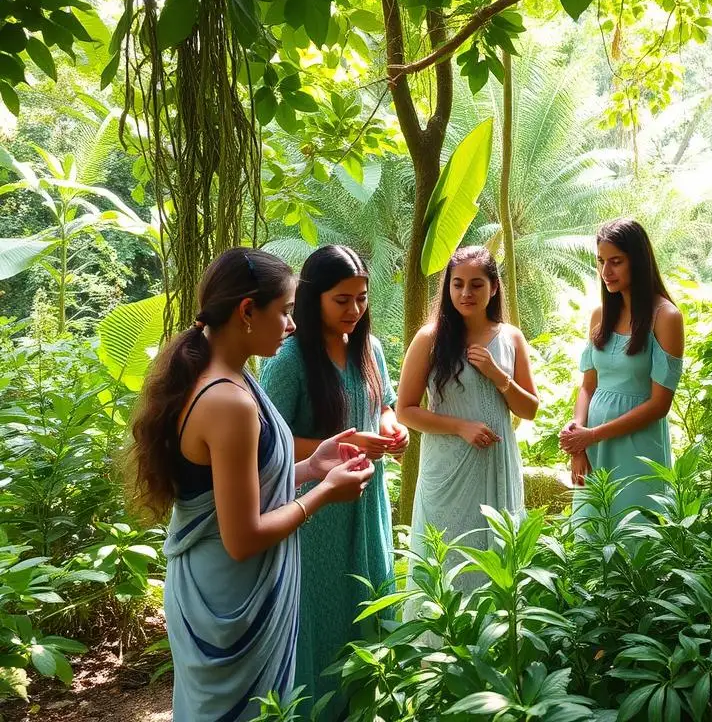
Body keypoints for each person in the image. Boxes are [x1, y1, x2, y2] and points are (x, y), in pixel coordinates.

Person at [128, 248, 375, 722]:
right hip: (229, 598)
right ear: (246, 312)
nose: (292, 324)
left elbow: (236, 485)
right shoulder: (228, 401)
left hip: (220, 584)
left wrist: (310, 468)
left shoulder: (227, 375)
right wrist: (324, 494)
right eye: (282, 310)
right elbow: (241, 538)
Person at [260, 245, 406, 719]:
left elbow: (383, 402)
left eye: (362, 298)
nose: (354, 310)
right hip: (316, 507)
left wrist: (390, 426)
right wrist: (338, 445)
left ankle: (365, 707)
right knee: (321, 619)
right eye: (341, 299)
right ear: (311, 298)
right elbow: (268, 445)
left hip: (367, 502)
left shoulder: (370, 348)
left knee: (368, 600)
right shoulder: (289, 359)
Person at [397, 246, 538, 592]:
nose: (465, 293)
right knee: (445, 564)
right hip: (447, 471)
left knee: (498, 564)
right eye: (457, 284)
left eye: (476, 284)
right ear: (447, 288)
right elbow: (405, 410)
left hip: (497, 466)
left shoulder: (511, 338)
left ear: (493, 287)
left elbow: (530, 409)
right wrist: (461, 427)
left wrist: (497, 375)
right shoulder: (429, 338)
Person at [559, 218, 684, 517]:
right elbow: (588, 386)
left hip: (637, 445)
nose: (606, 272)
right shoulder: (600, 315)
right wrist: (578, 438)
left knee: (636, 534)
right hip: (593, 444)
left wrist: (593, 435)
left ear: (638, 261)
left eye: (616, 261)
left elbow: (659, 404)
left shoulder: (666, 317)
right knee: (590, 537)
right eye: (601, 261)